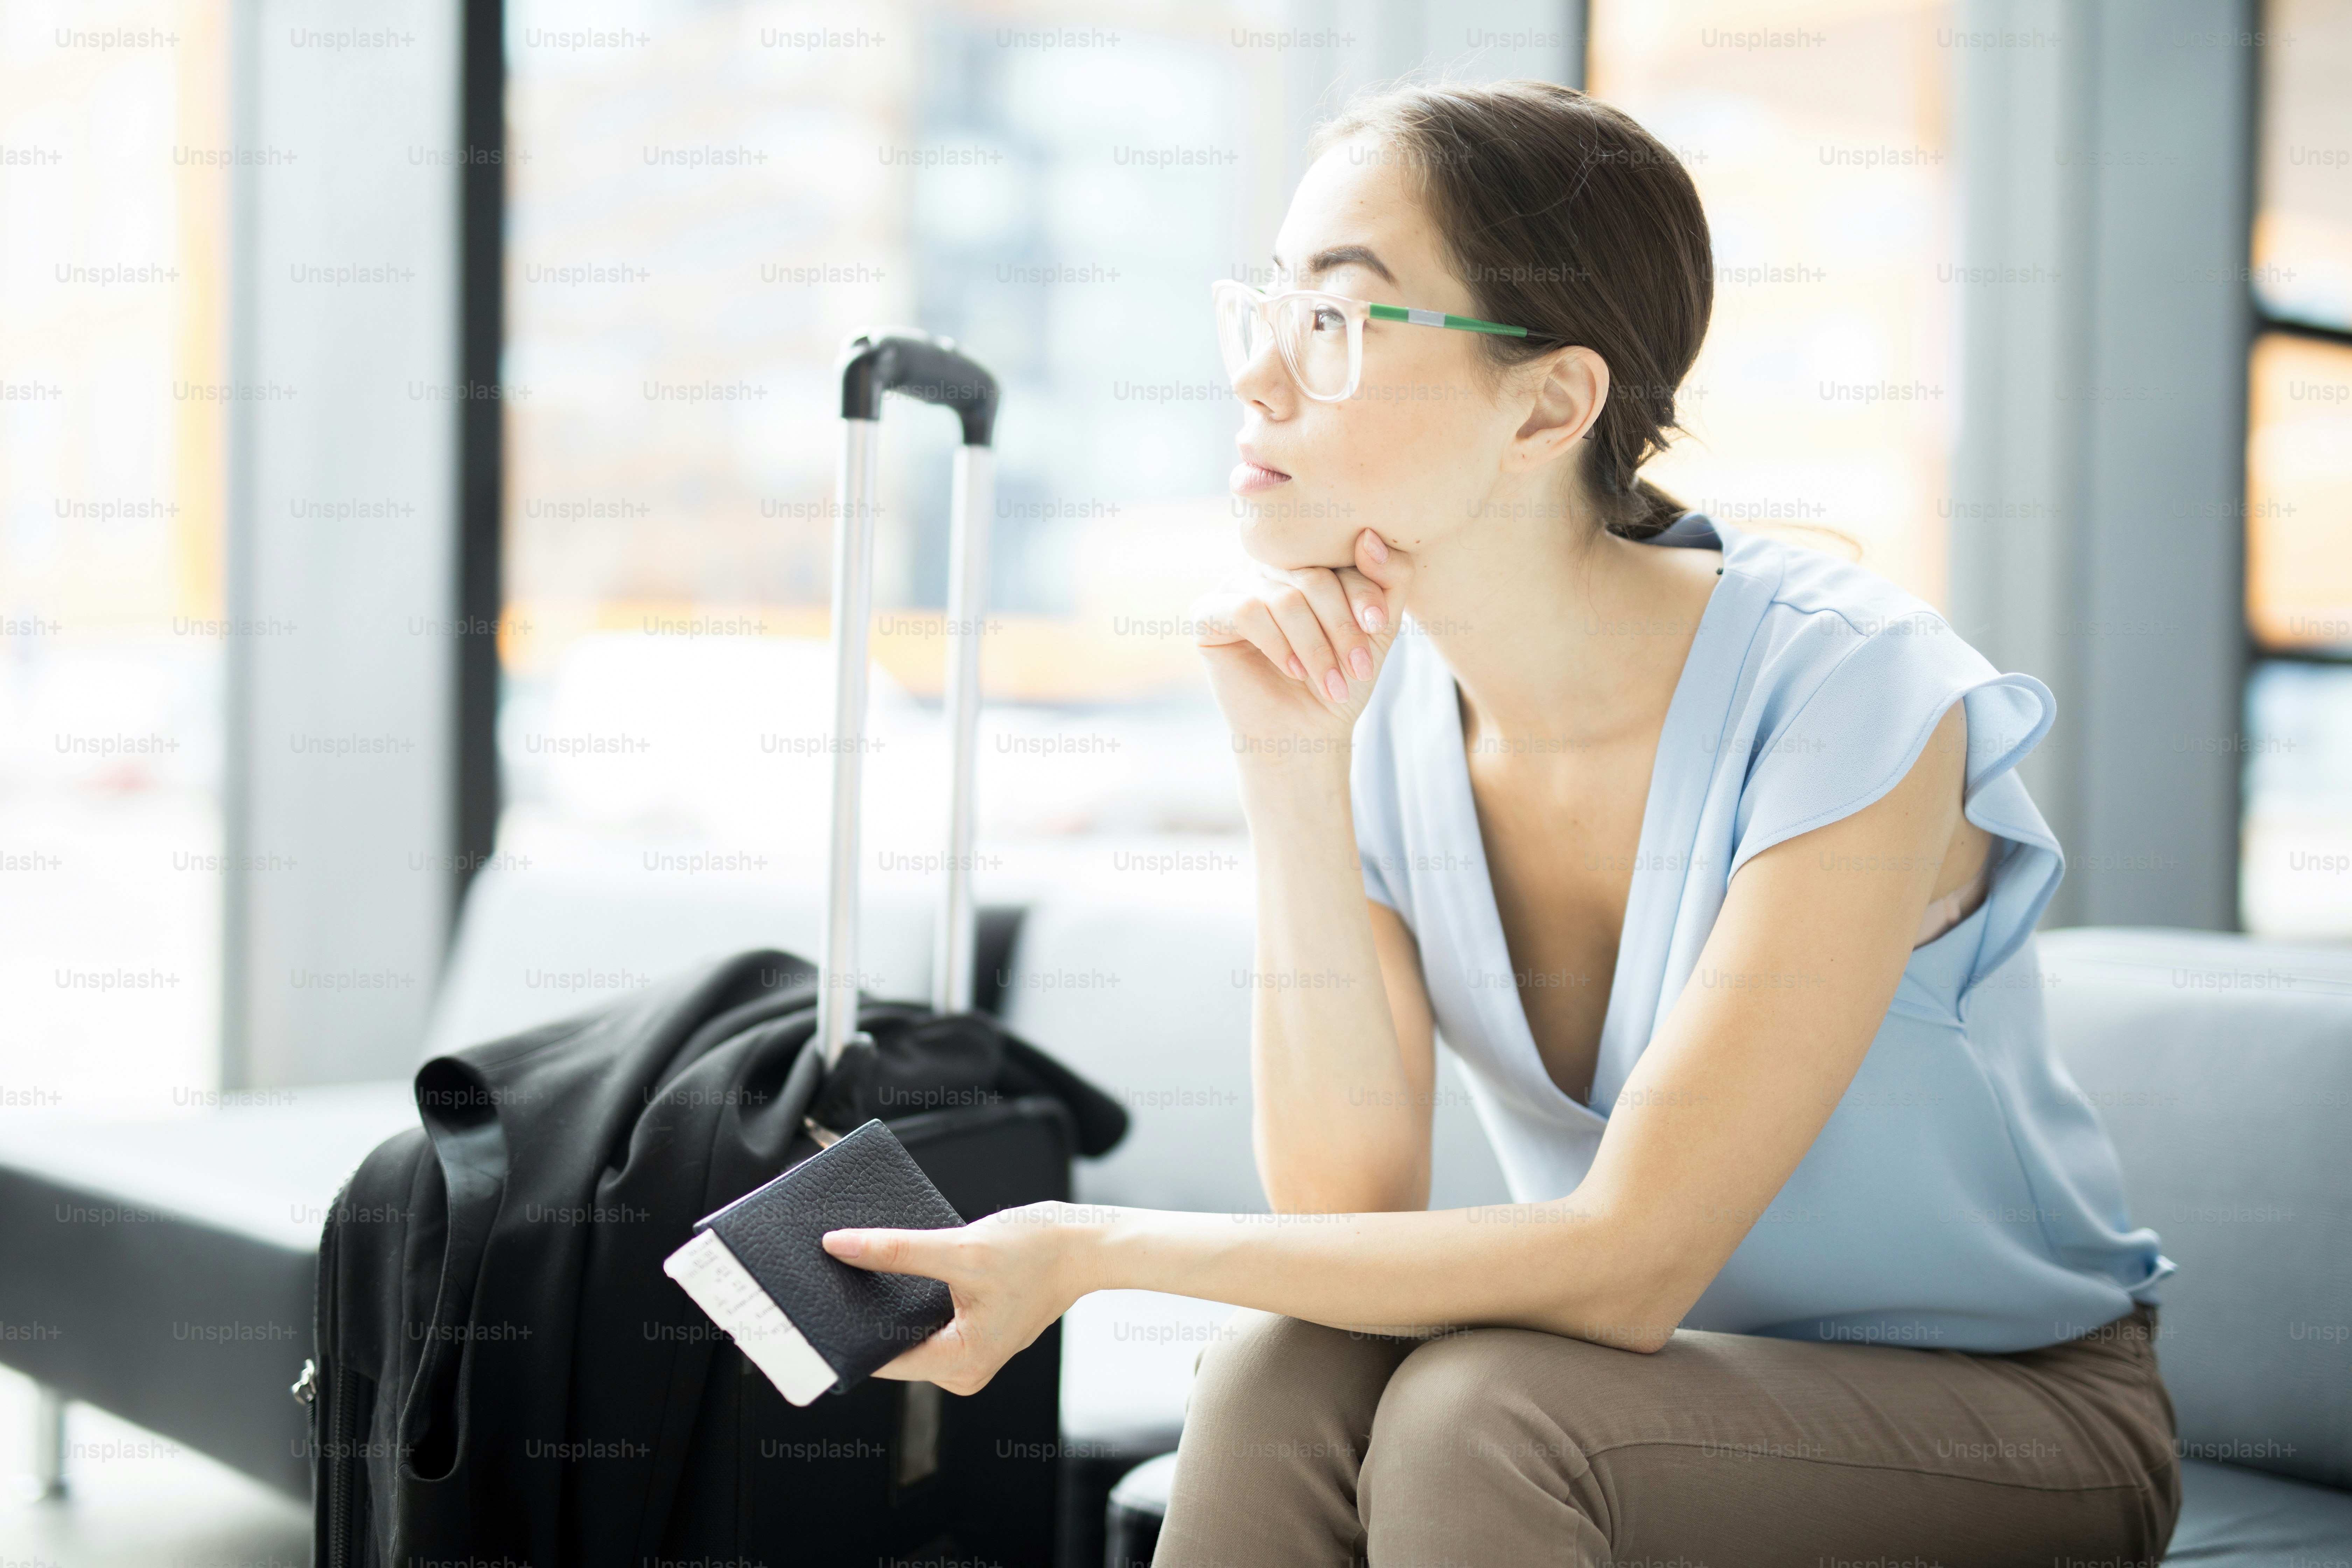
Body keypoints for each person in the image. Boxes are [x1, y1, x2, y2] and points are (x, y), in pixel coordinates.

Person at [821, 80, 2179, 1566]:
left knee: (1483, 1410)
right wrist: (1292, 775)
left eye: (1336, 321)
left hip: (2013, 1419)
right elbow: (1347, 1209)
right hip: (1649, 1388)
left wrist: (1093, 1252)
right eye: (1265, 308)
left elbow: (1632, 1265)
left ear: (1548, 404)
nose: (1259, 378)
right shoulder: (1392, 709)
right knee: (1288, 1368)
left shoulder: (1853, 690)